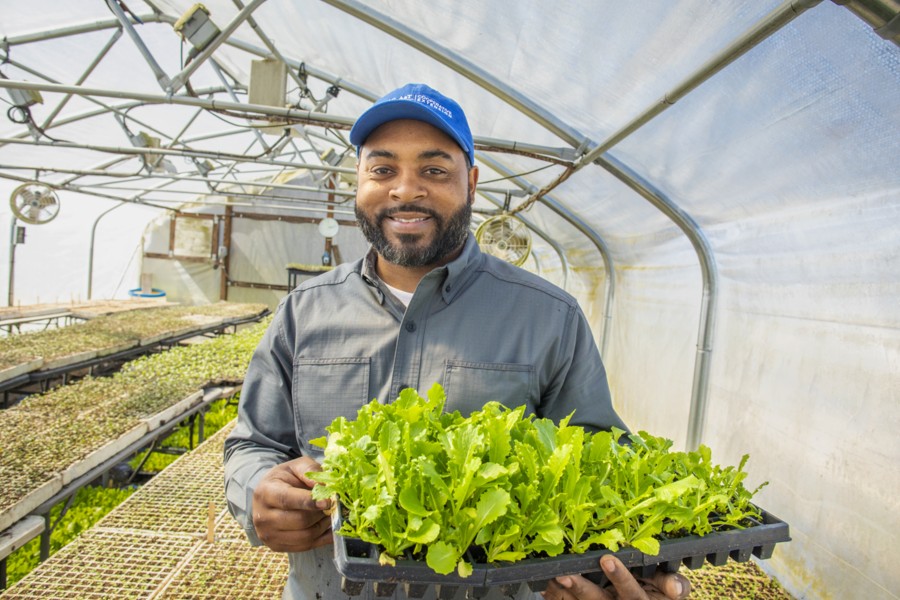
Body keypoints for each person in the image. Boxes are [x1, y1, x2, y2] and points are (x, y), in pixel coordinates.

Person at [224, 83, 691, 600]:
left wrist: (631, 569)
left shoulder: (548, 316)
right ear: (356, 182)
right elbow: (254, 444)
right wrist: (256, 493)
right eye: (382, 170)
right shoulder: (303, 311)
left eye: (433, 170)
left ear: (470, 182)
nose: (405, 190)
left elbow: (600, 462)